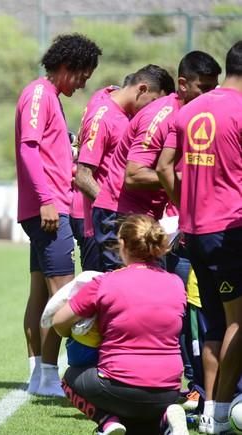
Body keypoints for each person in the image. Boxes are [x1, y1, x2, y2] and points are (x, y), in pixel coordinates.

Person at [14, 33, 102, 397]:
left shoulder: (50, 97)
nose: (84, 84)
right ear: (67, 66)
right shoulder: (39, 93)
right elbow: (28, 149)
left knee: (39, 292)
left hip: (47, 208)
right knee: (61, 295)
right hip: (49, 211)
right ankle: (50, 376)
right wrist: (48, 199)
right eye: (82, 75)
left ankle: (38, 374)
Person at [53, 214, 188, 435]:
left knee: (69, 378)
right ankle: (166, 416)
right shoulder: (176, 283)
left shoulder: (104, 283)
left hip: (117, 386)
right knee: (140, 427)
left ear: (123, 244)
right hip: (169, 390)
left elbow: (59, 322)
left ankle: (106, 421)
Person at [174, 40, 242, 434]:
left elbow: (174, 168)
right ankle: (219, 415)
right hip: (229, 231)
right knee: (238, 322)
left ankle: (211, 413)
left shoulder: (191, 110)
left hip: (196, 231)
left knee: (214, 325)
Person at [75, 65, 175, 271]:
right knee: (108, 291)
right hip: (105, 221)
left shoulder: (127, 114)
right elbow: (83, 176)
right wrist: (111, 206)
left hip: (121, 218)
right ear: (142, 89)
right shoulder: (103, 116)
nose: (156, 111)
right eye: (155, 102)